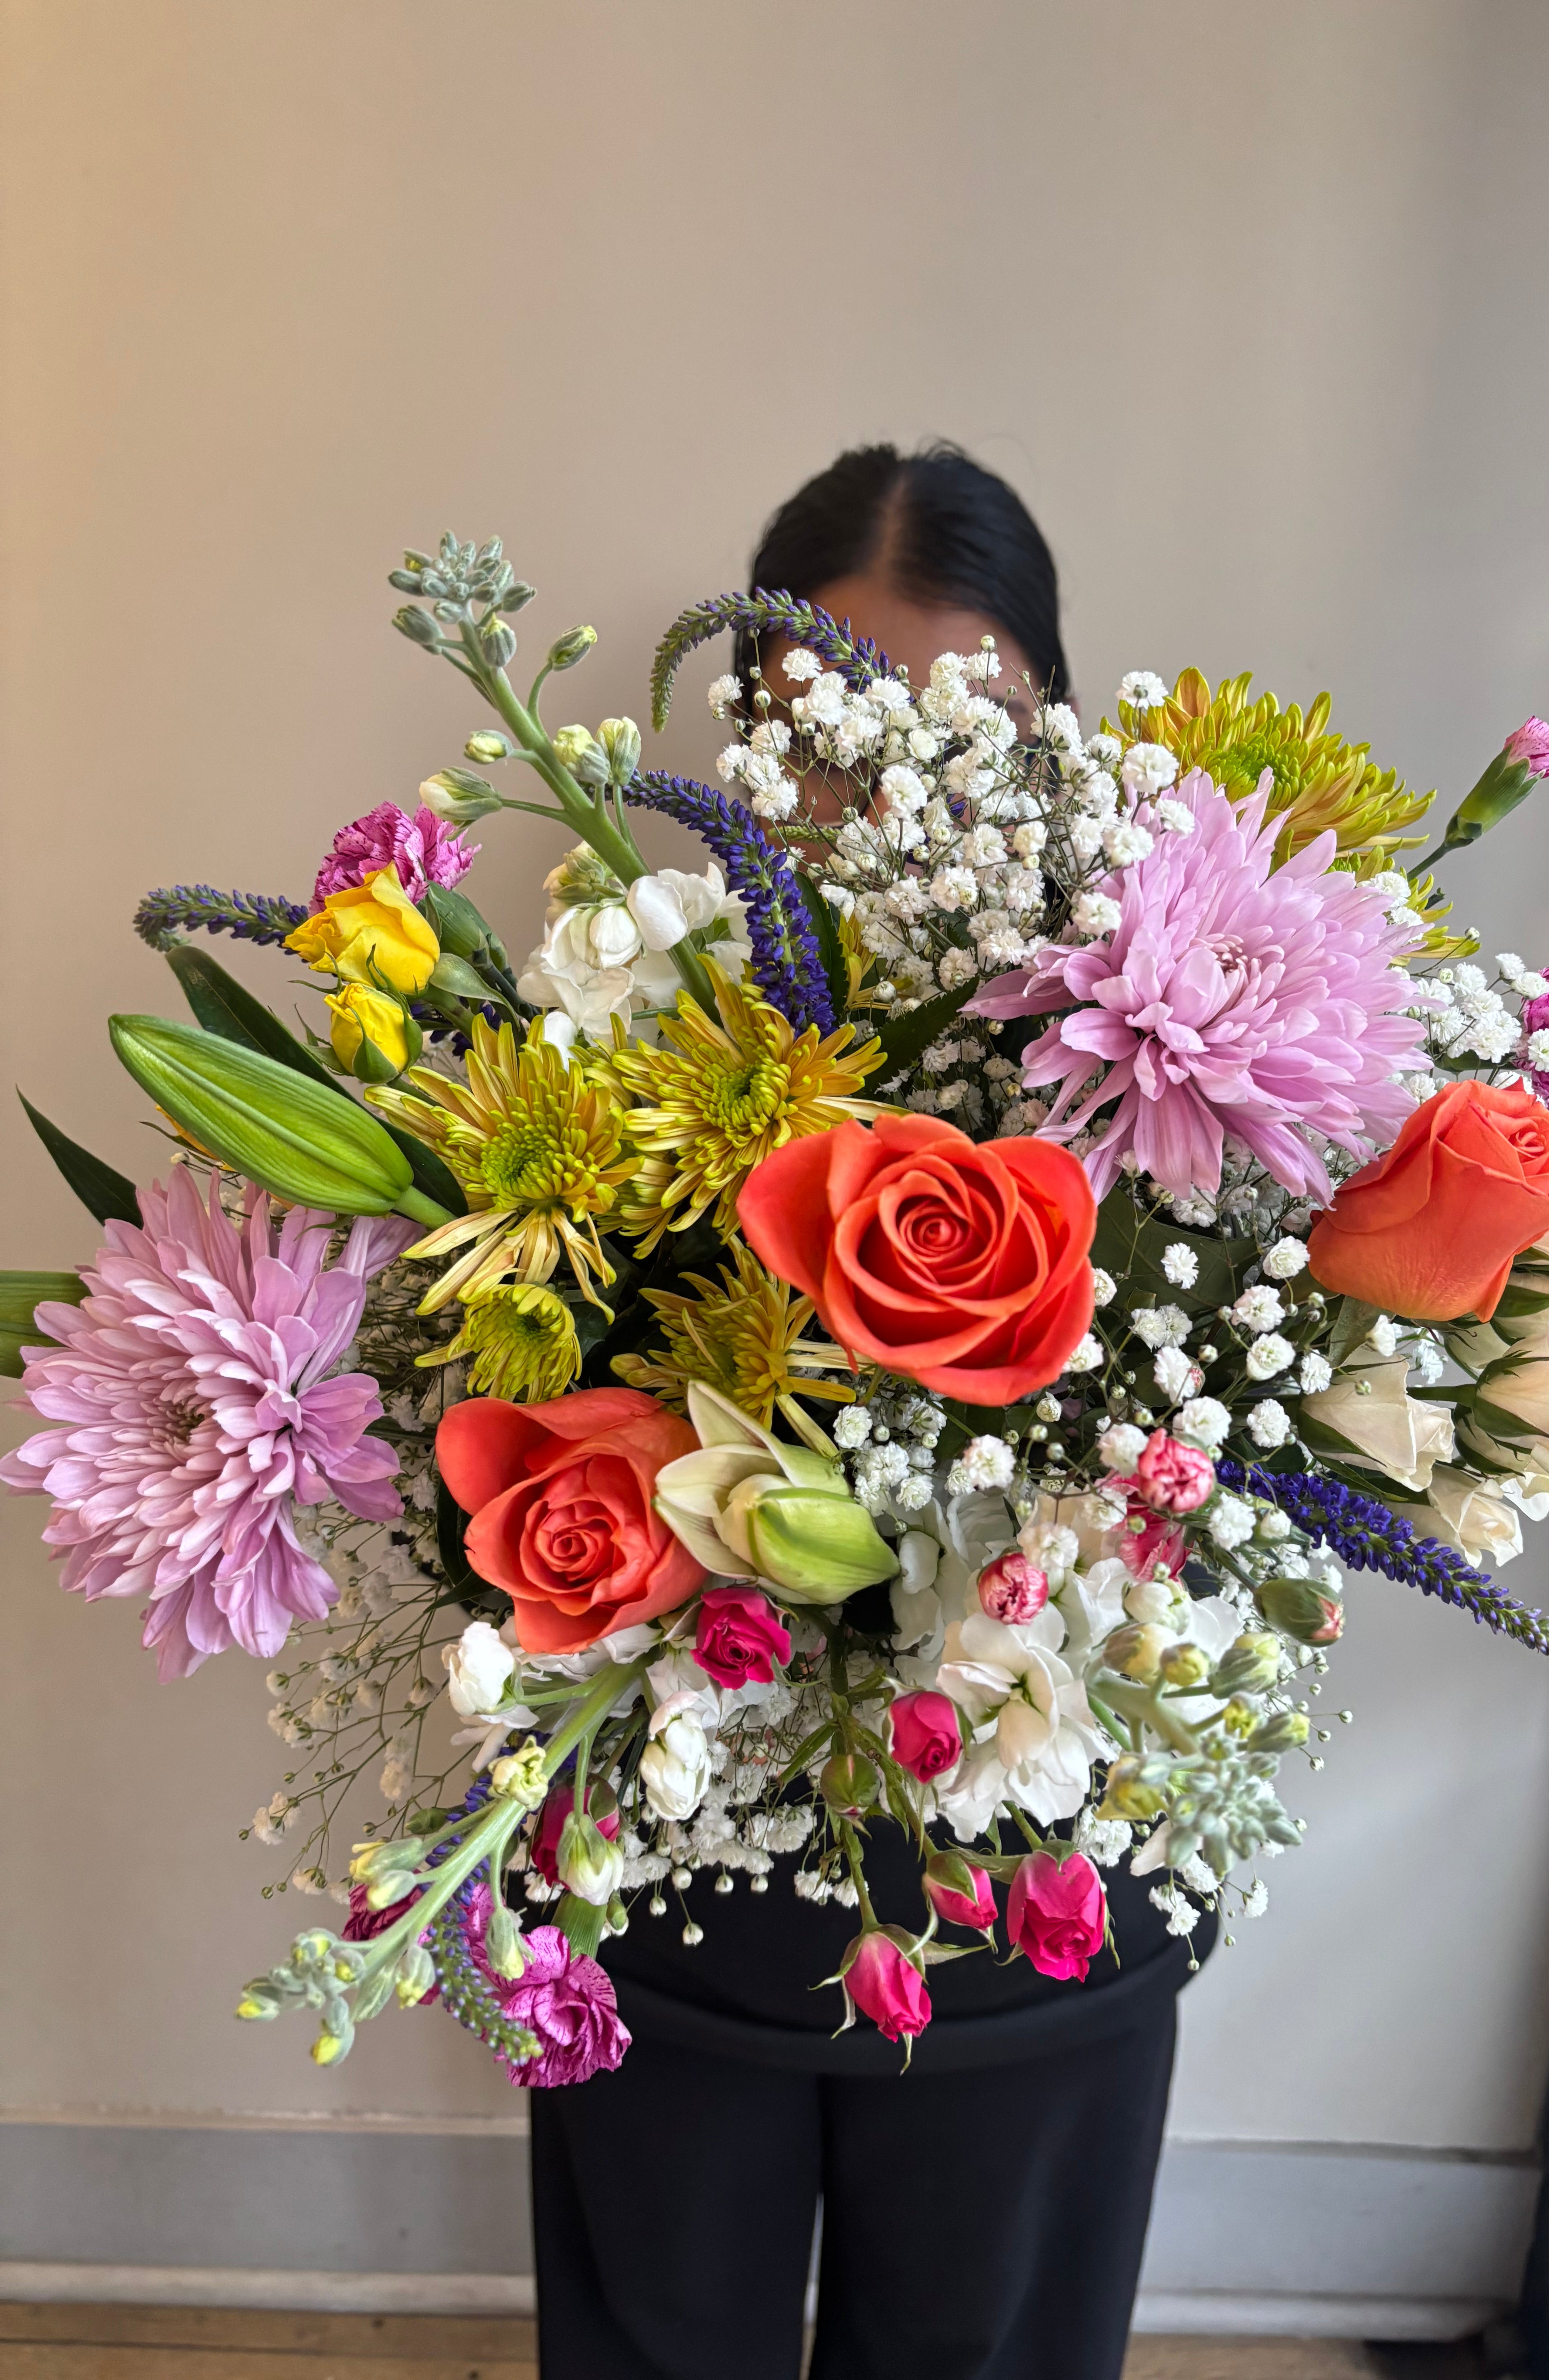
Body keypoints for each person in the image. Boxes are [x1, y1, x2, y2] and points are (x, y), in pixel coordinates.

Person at [529, 443, 1217, 2380]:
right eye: (826, 729)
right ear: (749, 745)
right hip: (685, 1909)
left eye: (968, 721)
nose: (887, 791)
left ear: (1060, 729)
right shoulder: (609, 1057)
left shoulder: (1182, 1067)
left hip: (1031, 1910)